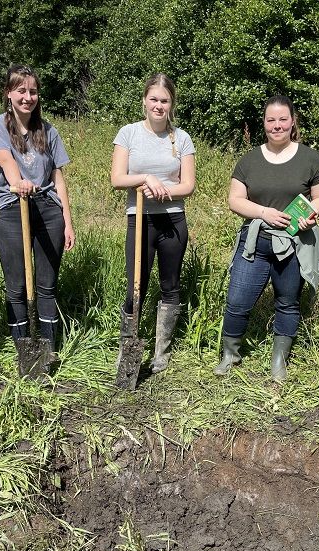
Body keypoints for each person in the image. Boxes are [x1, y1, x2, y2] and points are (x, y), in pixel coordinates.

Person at [214, 95, 319, 382]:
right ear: (264, 123)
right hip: (255, 241)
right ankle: (230, 354)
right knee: (237, 300)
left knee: (288, 302)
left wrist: (311, 213)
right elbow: (235, 200)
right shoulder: (249, 160)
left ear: (293, 122)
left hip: (294, 242)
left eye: (282, 119)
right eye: (270, 120)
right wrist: (264, 212)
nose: (276, 125)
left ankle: (279, 360)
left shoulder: (310, 158)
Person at [0, 64, 75, 350]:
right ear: (9, 93)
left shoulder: (48, 130)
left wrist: (68, 220)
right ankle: (23, 347)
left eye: (32, 91)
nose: (28, 97)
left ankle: (47, 348)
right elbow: (6, 160)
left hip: (48, 211)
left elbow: (58, 179)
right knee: (17, 287)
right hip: (13, 208)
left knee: (46, 286)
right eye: (21, 90)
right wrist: (19, 182)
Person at [110, 73, 196, 373]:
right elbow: (117, 178)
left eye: (165, 100)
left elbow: (188, 185)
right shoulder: (128, 134)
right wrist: (146, 178)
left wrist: (163, 190)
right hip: (140, 219)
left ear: (171, 104)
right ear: (145, 100)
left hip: (172, 220)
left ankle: (162, 352)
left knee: (170, 284)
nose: (159, 105)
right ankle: (128, 348)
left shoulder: (182, 138)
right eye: (154, 99)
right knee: (136, 286)